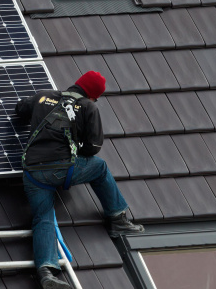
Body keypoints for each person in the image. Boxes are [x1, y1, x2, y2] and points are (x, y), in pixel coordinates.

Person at [16, 71, 144, 289]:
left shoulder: (43, 96)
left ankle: (46, 271)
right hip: (61, 171)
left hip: (32, 173)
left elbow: (20, 110)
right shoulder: (88, 107)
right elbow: (94, 148)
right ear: (93, 95)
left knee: (43, 217)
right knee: (100, 167)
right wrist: (75, 146)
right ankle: (117, 219)